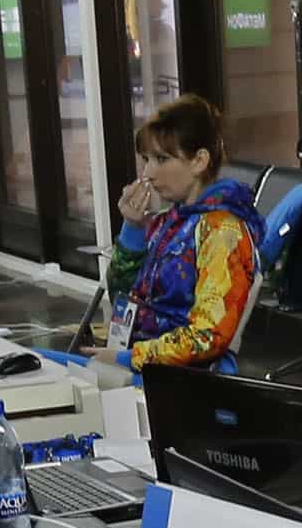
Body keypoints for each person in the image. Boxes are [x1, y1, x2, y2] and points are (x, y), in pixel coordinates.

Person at [103, 94, 259, 371]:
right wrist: (133, 229)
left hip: (182, 382)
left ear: (199, 161)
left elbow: (208, 335)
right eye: (145, 159)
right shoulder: (168, 222)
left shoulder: (222, 231)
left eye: (161, 159)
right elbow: (122, 298)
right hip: (143, 365)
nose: (148, 173)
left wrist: (129, 358)